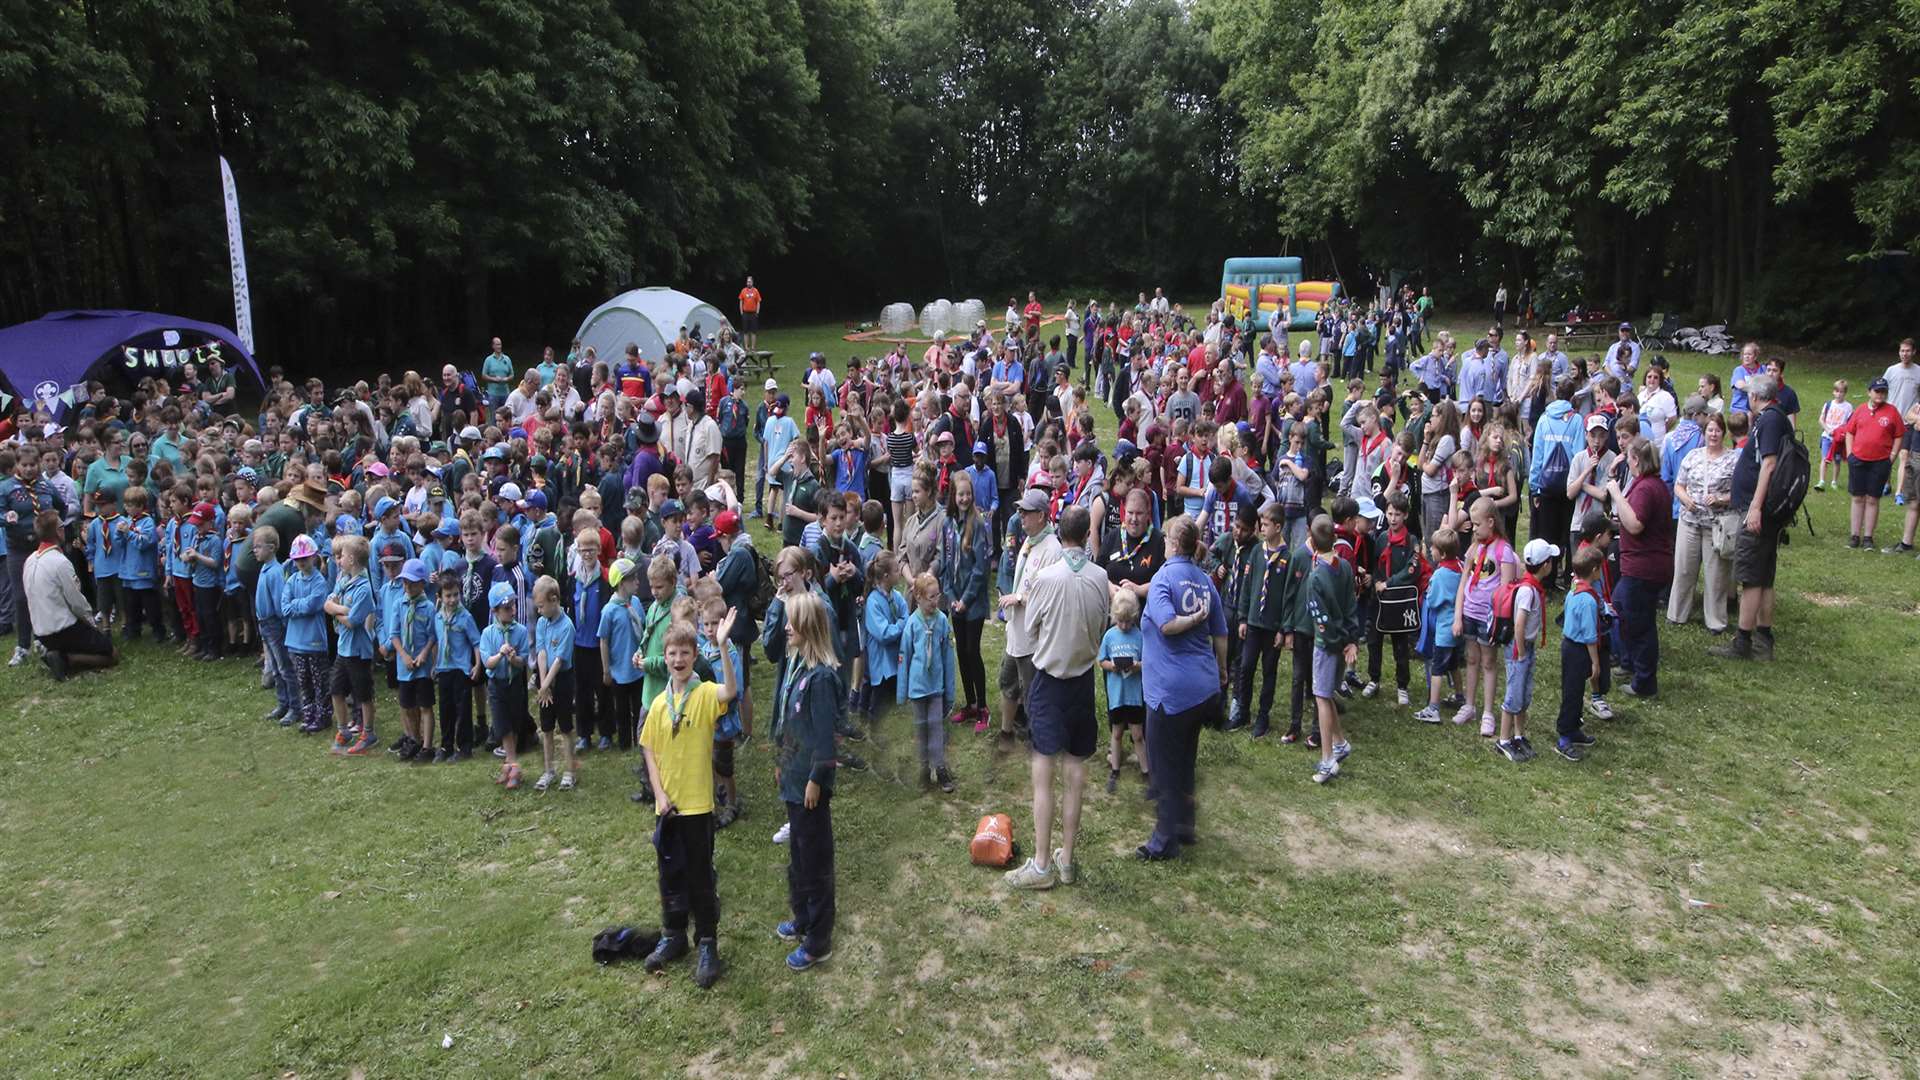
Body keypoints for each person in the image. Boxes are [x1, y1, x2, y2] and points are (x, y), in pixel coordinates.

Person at [1003, 506, 1110, 889]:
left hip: (1050, 680)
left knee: (1043, 774)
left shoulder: (1047, 578)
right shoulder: (1100, 577)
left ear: (1059, 531)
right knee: (1076, 771)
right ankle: (1066, 859)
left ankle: (1045, 865)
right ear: (1085, 534)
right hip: (1082, 679)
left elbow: (1030, 628)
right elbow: (1103, 623)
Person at [638, 614, 741, 989]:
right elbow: (649, 747)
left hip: (698, 807)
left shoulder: (702, 695)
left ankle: (708, 944)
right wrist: (660, 793)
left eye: (685, 652)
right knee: (670, 874)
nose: (678, 659)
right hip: (668, 809)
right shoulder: (660, 705)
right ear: (664, 657)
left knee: (700, 877)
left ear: (695, 655)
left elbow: (730, 690)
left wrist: (725, 645)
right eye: (672, 653)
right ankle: (674, 934)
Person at [1137, 515, 1228, 858]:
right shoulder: (1205, 581)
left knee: (1163, 767)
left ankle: (1164, 841)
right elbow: (1221, 633)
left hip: (1169, 693)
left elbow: (1167, 625)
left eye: (1166, 539)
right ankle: (1186, 826)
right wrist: (1221, 671)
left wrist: (1189, 620)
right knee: (1186, 758)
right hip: (1202, 690)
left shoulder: (1164, 578)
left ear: (1174, 545)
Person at [773, 592, 841, 972]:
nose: (786, 628)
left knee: (815, 861)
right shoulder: (798, 666)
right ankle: (801, 918)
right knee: (798, 856)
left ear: (808, 628)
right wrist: (783, 762)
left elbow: (826, 736)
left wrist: (817, 778)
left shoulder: (821, 679)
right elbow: (791, 724)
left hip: (810, 786)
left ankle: (818, 940)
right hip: (794, 781)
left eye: (792, 622)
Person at [21, 510, 117, 680]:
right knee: (111, 654)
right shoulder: (60, 562)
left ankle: (58, 652)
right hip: (62, 629)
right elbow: (76, 602)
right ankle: (67, 659)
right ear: (59, 531)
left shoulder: (30, 560)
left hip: (40, 631)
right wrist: (91, 624)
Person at [996, 488, 1059, 743]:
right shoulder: (1030, 540)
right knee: (1007, 681)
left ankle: (1038, 738)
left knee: (1033, 691)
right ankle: (1006, 732)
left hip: (1033, 637)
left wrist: (1020, 598)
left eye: (1026, 512)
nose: (1020, 516)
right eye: (1020, 511)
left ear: (1042, 516)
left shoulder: (1051, 549)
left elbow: (1050, 596)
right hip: (1016, 630)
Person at [1451, 497, 1517, 736]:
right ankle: (1469, 705)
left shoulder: (1504, 552)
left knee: (1488, 662)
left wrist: (1499, 621)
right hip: (1470, 611)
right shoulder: (1473, 548)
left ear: (1491, 522)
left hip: (1489, 618)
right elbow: (1463, 581)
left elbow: (1507, 590)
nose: (1474, 529)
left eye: (1477, 525)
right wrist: (1458, 615)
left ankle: (1488, 711)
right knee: (1471, 658)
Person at [1669, 411, 1737, 632]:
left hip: (1715, 525)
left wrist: (1720, 499)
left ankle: (1716, 620)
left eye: (1717, 430)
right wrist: (1686, 499)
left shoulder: (1732, 459)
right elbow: (1678, 485)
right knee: (1684, 570)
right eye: (1710, 430)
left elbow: (1739, 493)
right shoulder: (1693, 456)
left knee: (1716, 575)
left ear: (1723, 433)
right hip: (1689, 521)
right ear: (1704, 432)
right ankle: (1677, 614)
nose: (1713, 434)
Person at [1305, 515, 1360, 784]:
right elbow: (1352, 605)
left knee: (1322, 697)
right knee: (1326, 693)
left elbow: (1322, 621)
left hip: (1327, 646)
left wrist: (1339, 644)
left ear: (1311, 541)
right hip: (1343, 644)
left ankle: (1328, 759)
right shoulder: (1346, 567)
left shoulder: (1315, 578)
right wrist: (1351, 641)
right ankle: (1340, 742)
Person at [1237, 502, 1296, 738]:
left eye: (1266, 525)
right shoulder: (1256, 553)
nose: (1262, 528)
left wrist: (1284, 628)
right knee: (1246, 666)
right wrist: (1243, 617)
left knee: (1269, 671)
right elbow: (1247, 586)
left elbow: (1288, 596)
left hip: (1272, 627)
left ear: (1278, 527)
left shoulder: (1287, 557)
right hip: (1253, 622)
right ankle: (1242, 711)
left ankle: (1263, 715)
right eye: (1261, 524)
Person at [897, 571, 958, 792]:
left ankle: (940, 768)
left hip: (935, 688)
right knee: (921, 730)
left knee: (936, 729)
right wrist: (902, 692)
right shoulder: (912, 624)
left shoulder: (942, 621)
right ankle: (924, 770)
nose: (936, 601)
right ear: (919, 598)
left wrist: (949, 692)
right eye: (931, 597)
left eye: (937, 596)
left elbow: (947, 658)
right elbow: (904, 658)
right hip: (917, 688)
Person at [1497, 539, 1553, 762]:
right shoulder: (1528, 592)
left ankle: (1519, 735)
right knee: (1513, 694)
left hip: (1526, 647)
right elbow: (1519, 624)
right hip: (1518, 649)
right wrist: (1520, 652)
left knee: (1524, 693)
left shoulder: (1532, 587)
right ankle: (1503, 740)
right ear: (1546, 565)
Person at [1833, 377, 1904, 550]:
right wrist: (1850, 454)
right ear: (1869, 392)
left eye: (1883, 392)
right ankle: (1855, 535)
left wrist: (1892, 456)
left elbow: (1899, 435)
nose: (1880, 394)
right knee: (1857, 497)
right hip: (1858, 459)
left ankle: (1868, 537)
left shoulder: (1892, 412)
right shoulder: (1861, 410)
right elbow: (1850, 432)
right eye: (1877, 391)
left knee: (1873, 499)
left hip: (1880, 462)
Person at [324, 534, 378, 755]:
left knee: (362, 694)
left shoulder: (364, 588)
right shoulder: (343, 579)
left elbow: (354, 622)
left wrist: (337, 611)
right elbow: (327, 604)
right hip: (343, 648)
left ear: (353, 560)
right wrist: (341, 610)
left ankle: (368, 733)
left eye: (343, 556)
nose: (339, 560)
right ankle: (343, 729)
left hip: (357, 650)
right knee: (335, 689)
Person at [1554, 545, 1608, 762]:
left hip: (1570, 645)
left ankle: (1574, 728)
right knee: (1572, 692)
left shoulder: (1574, 589)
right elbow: (1589, 636)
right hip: (1579, 650)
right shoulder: (1587, 600)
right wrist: (1595, 663)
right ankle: (1564, 736)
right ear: (1594, 570)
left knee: (1574, 690)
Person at [531, 574, 580, 792]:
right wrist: (543, 684)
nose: (539, 611)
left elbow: (560, 660)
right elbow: (542, 652)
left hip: (562, 680)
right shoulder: (542, 622)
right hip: (546, 681)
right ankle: (549, 770)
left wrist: (548, 684)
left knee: (565, 727)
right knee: (547, 727)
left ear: (553, 599)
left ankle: (570, 771)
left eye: (541, 606)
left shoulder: (567, 626)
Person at [1098, 587, 1147, 792]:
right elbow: (1101, 661)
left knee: (1137, 733)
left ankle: (1146, 771)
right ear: (1114, 617)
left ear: (1134, 618)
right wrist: (1113, 666)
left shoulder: (1140, 636)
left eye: (1128, 621)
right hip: (1117, 694)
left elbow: (1148, 662)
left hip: (1135, 696)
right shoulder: (1110, 636)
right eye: (1120, 621)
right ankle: (1115, 769)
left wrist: (1137, 666)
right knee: (1116, 732)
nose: (1124, 626)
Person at [1412, 527, 1462, 723]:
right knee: (1453, 664)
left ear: (1441, 554)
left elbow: (1433, 600)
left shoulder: (1440, 575)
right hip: (1455, 629)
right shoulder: (1459, 566)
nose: (1430, 549)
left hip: (1443, 630)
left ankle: (1433, 708)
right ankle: (1459, 696)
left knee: (1437, 668)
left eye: (1433, 547)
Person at [431, 573, 483, 761]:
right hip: (444, 668)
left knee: (463, 709)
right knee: (446, 709)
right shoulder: (438, 617)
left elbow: (476, 642)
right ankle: (446, 746)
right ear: (440, 597)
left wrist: (477, 664)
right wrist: (434, 663)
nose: (452, 599)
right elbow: (437, 640)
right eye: (448, 596)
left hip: (461, 669)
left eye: (455, 594)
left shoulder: (465, 617)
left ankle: (465, 746)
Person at [1816, 379, 1853, 493]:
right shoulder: (1828, 404)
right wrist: (1828, 429)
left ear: (1845, 393)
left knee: (1837, 460)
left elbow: (1850, 423)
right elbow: (1821, 420)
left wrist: (1841, 432)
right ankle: (1821, 481)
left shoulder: (1848, 407)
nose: (1839, 394)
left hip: (1839, 439)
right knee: (1825, 458)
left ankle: (1834, 481)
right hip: (1827, 436)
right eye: (1837, 391)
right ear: (1833, 392)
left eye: (1841, 392)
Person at [737, 276, 761, 353]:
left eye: (750, 282)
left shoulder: (756, 291)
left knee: (753, 331)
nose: (748, 283)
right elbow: (741, 301)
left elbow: (758, 302)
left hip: (753, 313)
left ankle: (753, 348)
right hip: (745, 313)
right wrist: (741, 312)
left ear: (752, 282)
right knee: (745, 331)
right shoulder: (743, 291)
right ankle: (746, 347)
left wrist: (757, 312)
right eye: (747, 282)